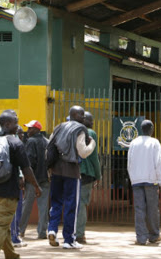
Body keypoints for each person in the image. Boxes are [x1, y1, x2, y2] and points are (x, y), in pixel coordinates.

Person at [0, 111, 42, 259]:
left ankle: (11, 255)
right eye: (16, 122)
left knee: (2, 226)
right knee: (2, 226)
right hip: (9, 192)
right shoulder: (16, 143)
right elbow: (26, 169)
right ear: (8, 124)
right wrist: (36, 186)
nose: (18, 125)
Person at [46, 105, 95, 249]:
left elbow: (50, 147)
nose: (84, 118)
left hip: (56, 170)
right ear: (76, 116)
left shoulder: (59, 127)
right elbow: (83, 152)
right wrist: (92, 143)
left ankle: (52, 229)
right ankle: (69, 240)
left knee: (55, 202)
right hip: (71, 171)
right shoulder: (80, 129)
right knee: (71, 205)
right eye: (82, 115)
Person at [127, 119, 161, 246]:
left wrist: (132, 178)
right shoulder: (154, 142)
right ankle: (154, 235)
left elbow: (129, 163)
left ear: (140, 129)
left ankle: (141, 237)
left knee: (139, 209)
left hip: (137, 180)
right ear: (152, 129)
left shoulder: (133, 142)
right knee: (152, 209)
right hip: (151, 180)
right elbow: (159, 162)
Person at [19, 120, 50, 240]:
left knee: (27, 205)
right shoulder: (47, 142)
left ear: (37, 129)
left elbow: (30, 161)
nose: (28, 131)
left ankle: (21, 231)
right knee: (43, 207)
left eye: (30, 128)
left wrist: (26, 177)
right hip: (45, 179)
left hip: (33, 180)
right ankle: (42, 232)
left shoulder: (31, 142)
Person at [75, 112, 101, 244]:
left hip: (70, 172)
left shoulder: (71, 130)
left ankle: (70, 232)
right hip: (86, 173)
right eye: (91, 121)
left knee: (72, 203)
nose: (92, 123)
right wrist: (98, 175)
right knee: (82, 204)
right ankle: (79, 234)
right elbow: (93, 157)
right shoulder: (90, 133)